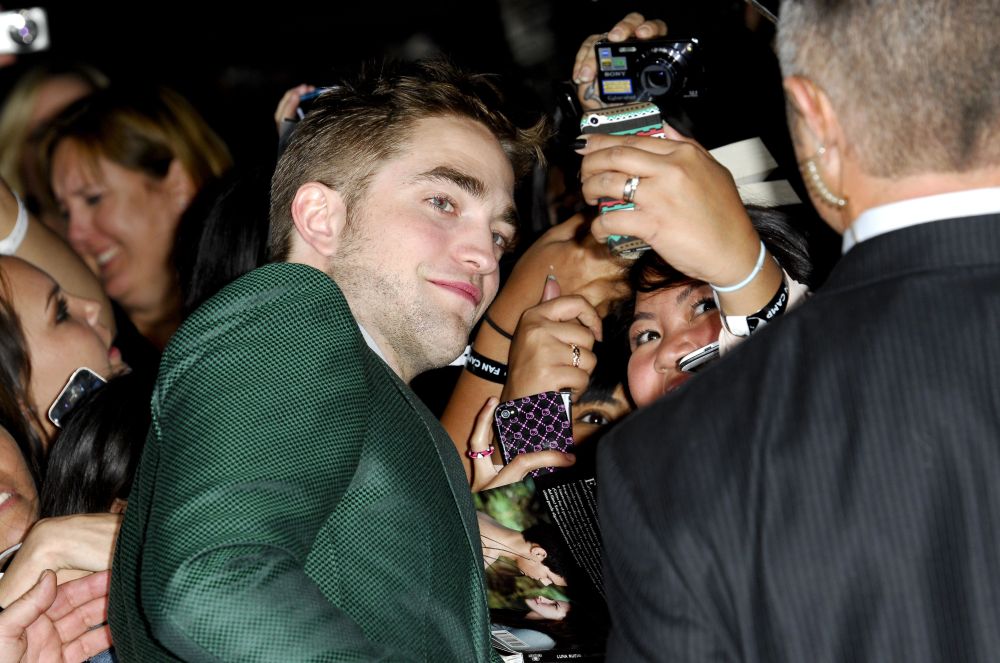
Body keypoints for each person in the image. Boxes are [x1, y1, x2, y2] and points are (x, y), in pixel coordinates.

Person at [590, 1, 1000, 660]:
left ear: (811, 119)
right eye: (644, 335)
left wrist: (744, 275)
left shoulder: (676, 461)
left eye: (704, 308)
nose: (678, 349)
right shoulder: (645, 456)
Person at [109, 58, 555, 661]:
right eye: (442, 202)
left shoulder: (384, 400)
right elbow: (213, 587)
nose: (484, 255)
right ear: (322, 217)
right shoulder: (291, 314)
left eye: (499, 235)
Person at [42, 85, 233, 350]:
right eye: (65, 213)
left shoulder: (266, 307)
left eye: (93, 198)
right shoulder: (101, 353)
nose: (74, 234)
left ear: (178, 185)